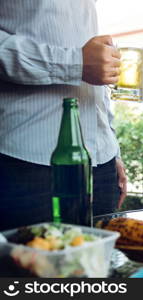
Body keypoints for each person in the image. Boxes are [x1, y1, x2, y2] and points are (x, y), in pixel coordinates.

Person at [0, 0, 128, 230]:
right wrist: (74, 62)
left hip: (101, 166)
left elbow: (93, 66)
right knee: (28, 266)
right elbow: (83, 60)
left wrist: (110, 145)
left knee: (101, 265)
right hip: (26, 163)